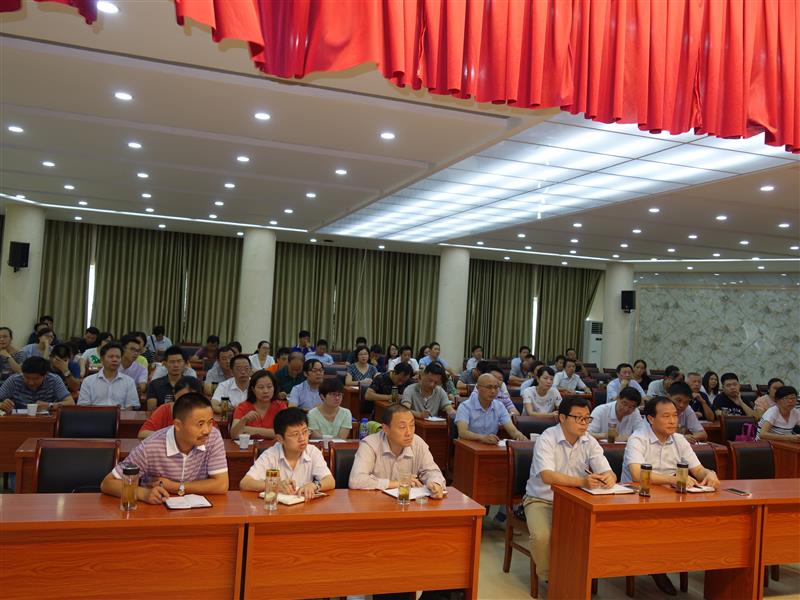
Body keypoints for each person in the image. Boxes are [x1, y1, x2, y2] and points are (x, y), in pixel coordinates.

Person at [622, 396, 720, 595]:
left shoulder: (679, 440)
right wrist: (673, 479)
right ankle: (657, 566)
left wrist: (709, 474)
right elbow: (637, 474)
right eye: (666, 416)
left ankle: (687, 561)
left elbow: (698, 470)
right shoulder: (638, 438)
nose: (672, 421)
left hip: (671, 497)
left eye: (675, 415)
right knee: (661, 524)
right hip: (638, 498)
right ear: (651, 419)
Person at [523, 396, 615, 585]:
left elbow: (607, 470)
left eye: (587, 418)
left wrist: (608, 477)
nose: (584, 423)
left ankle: (582, 576)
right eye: (578, 418)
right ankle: (551, 578)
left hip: (577, 501)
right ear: (562, 418)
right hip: (541, 499)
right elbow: (547, 476)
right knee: (542, 537)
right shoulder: (547, 438)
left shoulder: (589, 441)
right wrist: (582, 482)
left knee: (598, 534)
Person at [101, 393, 228, 504]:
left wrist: (175, 486)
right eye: (200, 424)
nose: (207, 430)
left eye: (210, 422)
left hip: (198, 511)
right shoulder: (151, 446)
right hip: (156, 510)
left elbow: (221, 485)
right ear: (177, 425)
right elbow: (108, 483)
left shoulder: (213, 437)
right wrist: (143, 493)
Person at [349, 403, 446, 495]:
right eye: (402, 427)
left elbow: (432, 471)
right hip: (376, 502)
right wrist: (399, 483)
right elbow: (356, 480)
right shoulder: (370, 444)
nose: (409, 433)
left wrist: (435, 483)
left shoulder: (418, 443)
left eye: (412, 425)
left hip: (407, 503)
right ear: (385, 429)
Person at [239, 407, 335, 497]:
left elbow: (330, 480)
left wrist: (315, 485)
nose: (302, 438)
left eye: (305, 431)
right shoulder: (270, 455)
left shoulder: (312, 452)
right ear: (280, 439)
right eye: (295, 434)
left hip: (305, 506)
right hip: (277, 507)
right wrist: (275, 486)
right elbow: (245, 483)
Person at [455, 373, 527, 444]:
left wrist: (521, 437)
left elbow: (513, 431)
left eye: (496, 387)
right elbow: (463, 432)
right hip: (468, 446)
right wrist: (482, 438)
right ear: (478, 388)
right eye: (489, 387)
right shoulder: (465, 407)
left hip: (490, 446)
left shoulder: (499, 406)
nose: (493, 391)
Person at [138, 377, 207, 439]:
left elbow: (210, 435)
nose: (186, 403)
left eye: (191, 399)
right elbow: (142, 434)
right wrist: (170, 436)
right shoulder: (164, 410)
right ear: (174, 393)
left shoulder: (204, 412)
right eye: (181, 398)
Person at [0, 356, 74, 414]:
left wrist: (49, 405)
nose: (31, 382)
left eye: (36, 379)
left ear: (45, 375)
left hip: (46, 421)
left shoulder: (54, 380)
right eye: (27, 377)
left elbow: (71, 403)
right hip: (18, 419)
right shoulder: (14, 380)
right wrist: (2, 405)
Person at [77, 342, 140, 409]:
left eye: (118, 357)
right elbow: (83, 406)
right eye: (111, 357)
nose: (115, 360)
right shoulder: (88, 381)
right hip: (95, 415)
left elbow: (130, 407)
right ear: (102, 359)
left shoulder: (129, 382)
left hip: (121, 415)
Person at [230, 370, 288, 439]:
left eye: (269, 387)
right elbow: (234, 435)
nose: (265, 391)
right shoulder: (242, 407)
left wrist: (250, 430)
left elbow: (285, 433)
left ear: (274, 388)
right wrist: (244, 420)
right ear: (253, 389)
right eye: (261, 387)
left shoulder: (281, 406)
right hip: (248, 445)